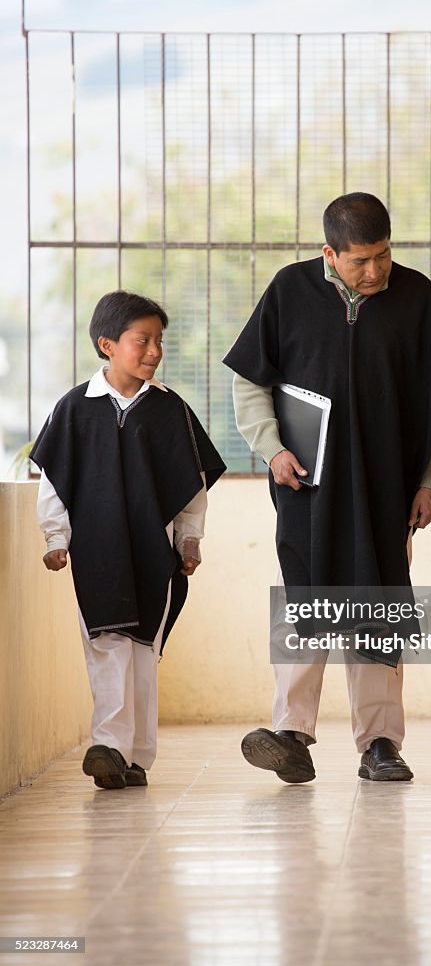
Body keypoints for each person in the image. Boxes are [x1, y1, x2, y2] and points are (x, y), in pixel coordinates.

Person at [224, 192, 431, 783]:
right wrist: (273, 449)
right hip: (307, 486)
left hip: (388, 495)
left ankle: (381, 743)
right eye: (360, 259)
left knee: (379, 603)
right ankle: (291, 735)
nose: (376, 270)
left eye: (384, 254)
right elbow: (251, 386)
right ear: (328, 253)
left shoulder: (418, 298)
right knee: (305, 600)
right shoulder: (288, 292)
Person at [31, 291, 226, 790]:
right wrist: (56, 536)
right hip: (94, 551)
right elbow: (55, 481)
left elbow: (191, 486)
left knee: (142, 646)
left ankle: (134, 755)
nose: (154, 351)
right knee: (105, 642)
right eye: (142, 341)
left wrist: (189, 540)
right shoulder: (74, 408)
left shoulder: (168, 409)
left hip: (152, 549)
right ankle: (111, 748)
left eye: (159, 341)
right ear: (107, 344)